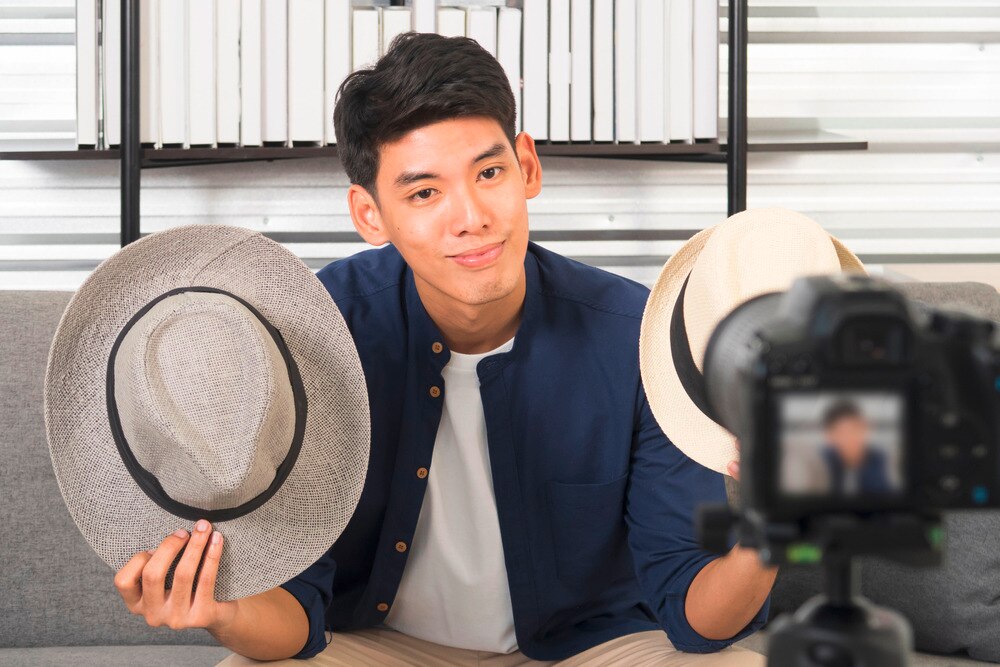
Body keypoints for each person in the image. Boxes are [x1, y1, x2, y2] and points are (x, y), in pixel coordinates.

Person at [113, 33, 774, 664]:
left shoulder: (639, 334)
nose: (471, 216)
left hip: (588, 648)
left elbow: (693, 617)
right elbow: (295, 616)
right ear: (369, 214)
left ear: (528, 165)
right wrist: (220, 607)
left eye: (489, 172)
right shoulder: (310, 340)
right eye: (425, 192)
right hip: (376, 646)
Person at [820, 400, 893, 496]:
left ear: (865, 429)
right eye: (842, 433)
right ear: (830, 436)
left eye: (855, 430)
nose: (851, 438)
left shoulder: (877, 458)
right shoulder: (822, 461)